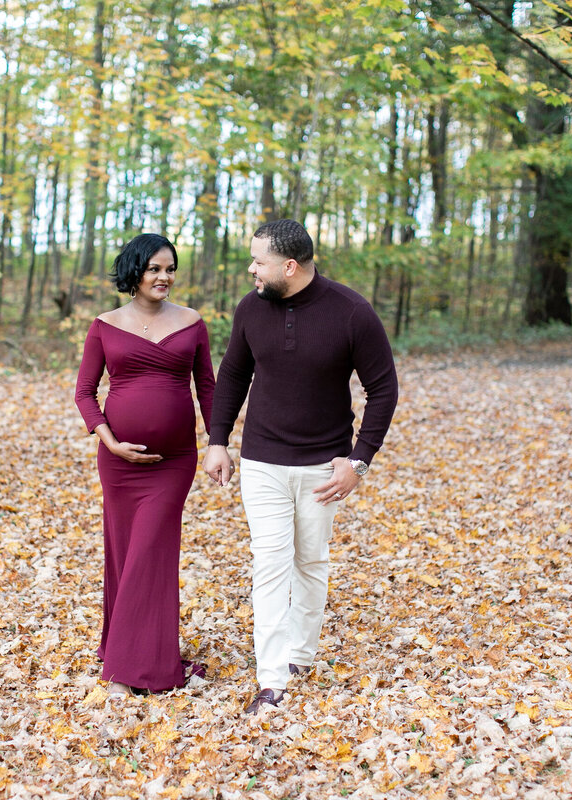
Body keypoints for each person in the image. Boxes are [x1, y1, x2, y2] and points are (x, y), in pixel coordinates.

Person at [203, 219, 399, 715]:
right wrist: (218, 440)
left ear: (289, 266)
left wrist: (360, 460)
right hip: (263, 460)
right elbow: (232, 375)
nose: (251, 269)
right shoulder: (251, 308)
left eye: (258, 262)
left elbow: (384, 390)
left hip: (323, 468)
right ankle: (270, 680)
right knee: (269, 563)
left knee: (310, 562)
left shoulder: (352, 312)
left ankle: (300, 655)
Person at [74, 233, 215, 695]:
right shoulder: (105, 324)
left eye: (170, 268)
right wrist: (111, 442)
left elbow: (208, 389)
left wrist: (219, 442)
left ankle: (129, 671)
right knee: (123, 553)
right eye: (155, 268)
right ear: (135, 272)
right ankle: (126, 653)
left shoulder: (192, 323)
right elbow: (84, 392)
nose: (165, 277)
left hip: (174, 461)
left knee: (151, 551)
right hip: (118, 462)